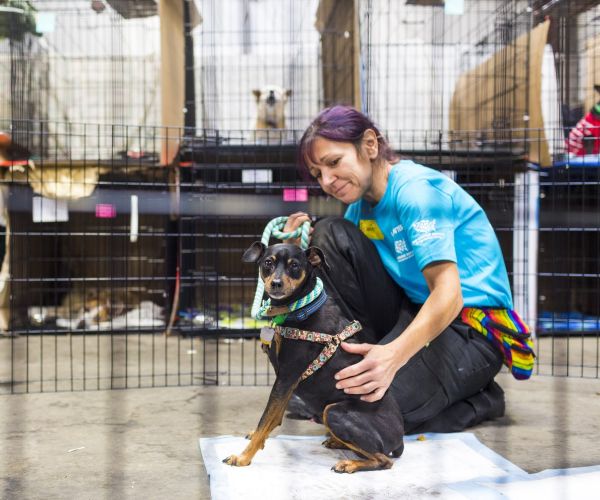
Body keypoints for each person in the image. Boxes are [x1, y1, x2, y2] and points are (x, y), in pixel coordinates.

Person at [283, 105, 534, 433]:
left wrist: (393, 356)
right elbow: (347, 286)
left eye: (333, 162)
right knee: (329, 234)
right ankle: (365, 366)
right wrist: (293, 251)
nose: (327, 180)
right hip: (414, 311)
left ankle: (483, 398)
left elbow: (449, 295)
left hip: (469, 327)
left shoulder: (416, 192)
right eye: (318, 174)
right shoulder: (359, 209)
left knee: (375, 413)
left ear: (370, 145)